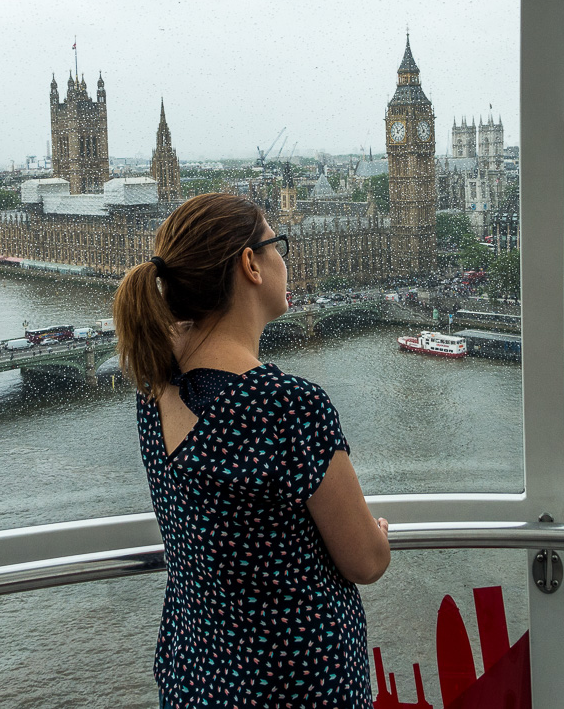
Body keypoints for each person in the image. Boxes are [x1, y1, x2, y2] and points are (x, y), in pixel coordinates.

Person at [114, 193, 389, 708]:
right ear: (250, 264)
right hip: (294, 686)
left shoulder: (153, 386)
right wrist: (378, 536)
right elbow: (365, 562)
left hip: (197, 676)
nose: (285, 259)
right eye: (276, 245)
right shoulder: (286, 407)